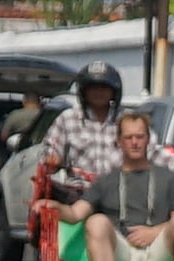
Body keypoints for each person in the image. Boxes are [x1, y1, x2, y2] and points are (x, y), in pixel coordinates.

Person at [58, 113, 174, 261]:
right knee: (96, 221)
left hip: (158, 252)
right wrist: (52, 206)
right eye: (128, 137)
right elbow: (75, 214)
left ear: (148, 140)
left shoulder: (169, 178)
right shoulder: (106, 181)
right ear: (119, 142)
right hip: (123, 250)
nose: (134, 143)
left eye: (140, 137)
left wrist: (154, 232)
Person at [42, 62, 126, 192]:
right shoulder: (67, 118)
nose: (98, 92)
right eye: (93, 87)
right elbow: (51, 152)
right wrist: (52, 160)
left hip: (119, 194)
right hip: (78, 193)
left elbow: (152, 152)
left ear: (114, 91)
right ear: (83, 91)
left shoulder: (127, 120)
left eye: (104, 87)